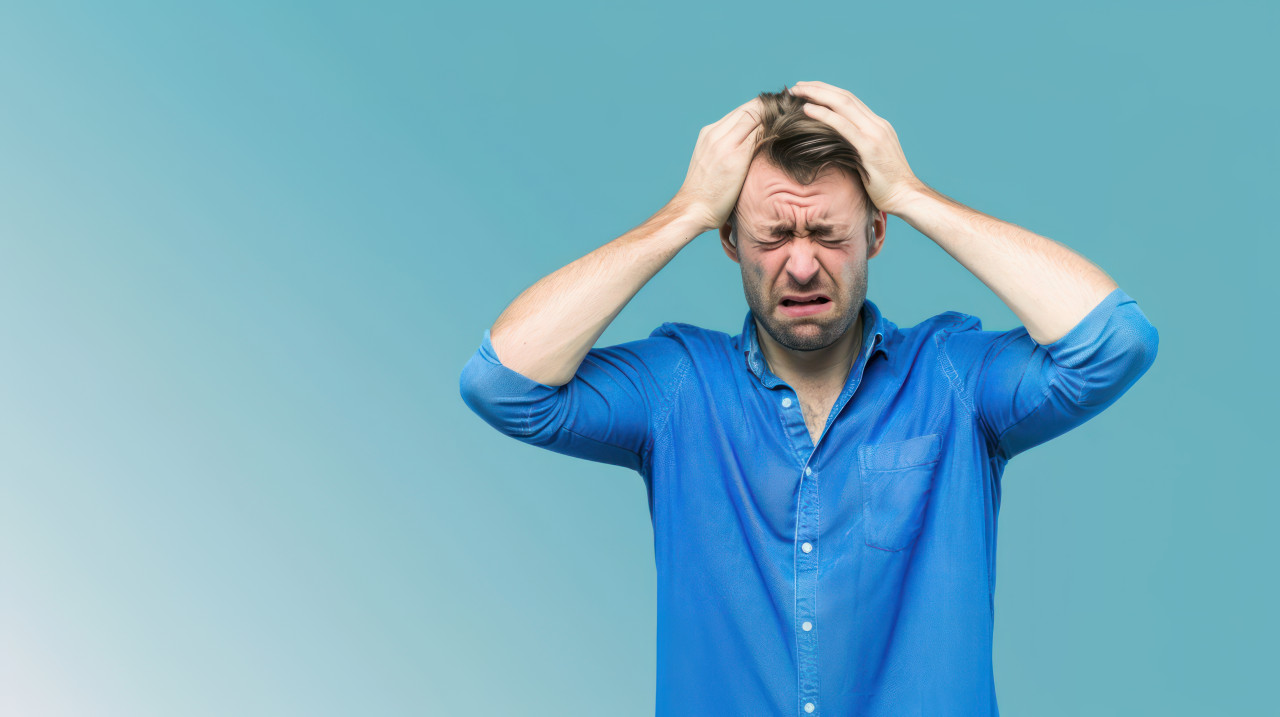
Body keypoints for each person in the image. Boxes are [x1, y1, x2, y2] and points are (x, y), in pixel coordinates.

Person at [458, 81, 1158, 716]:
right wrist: (684, 211)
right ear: (731, 240)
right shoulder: (678, 387)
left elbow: (1114, 342)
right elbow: (503, 382)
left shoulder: (953, 379)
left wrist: (911, 192)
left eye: (827, 233)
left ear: (876, 234)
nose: (801, 263)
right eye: (772, 234)